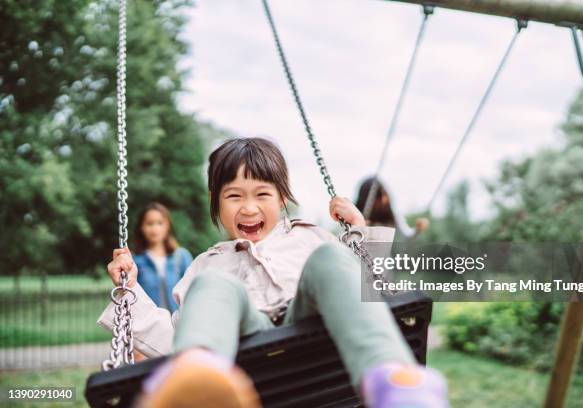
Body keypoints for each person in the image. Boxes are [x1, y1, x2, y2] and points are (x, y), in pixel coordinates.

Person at [99, 138, 448, 408]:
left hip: (312, 334)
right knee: (213, 285)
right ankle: (198, 375)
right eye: (233, 196)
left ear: (281, 197)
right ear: (215, 201)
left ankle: (393, 380)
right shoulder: (206, 264)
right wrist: (130, 293)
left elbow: (369, 300)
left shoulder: (311, 237)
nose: (248, 207)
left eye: (262, 194)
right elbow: (172, 338)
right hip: (246, 348)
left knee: (332, 259)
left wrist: (362, 235)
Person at [133, 202, 193, 313]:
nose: (155, 228)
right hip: (149, 325)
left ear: (167, 226)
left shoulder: (181, 257)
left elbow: (192, 292)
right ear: (141, 227)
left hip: (177, 325)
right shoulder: (135, 261)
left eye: (160, 223)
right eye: (149, 223)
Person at [356, 176, 430, 240]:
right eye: (378, 197)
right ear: (366, 199)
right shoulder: (357, 213)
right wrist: (359, 225)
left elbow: (407, 234)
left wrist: (417, 230)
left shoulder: (392, 213)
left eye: (384, 194)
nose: (383, 200)